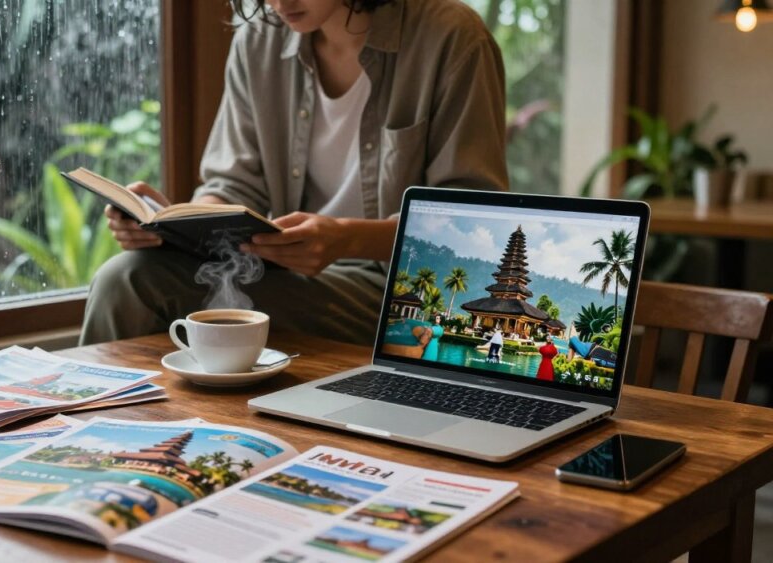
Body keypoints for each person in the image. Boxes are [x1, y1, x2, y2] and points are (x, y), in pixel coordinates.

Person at [80, 0, 507, 346]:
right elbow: (232, 184)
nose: (277, 2)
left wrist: (346, 238)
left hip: (400, 292)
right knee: (126, 277)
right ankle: (86, 434)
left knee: (137, 284)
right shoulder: (259, 39)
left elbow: (468, 220)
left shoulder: (452, 39)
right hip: (290, 276)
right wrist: (179, 224)